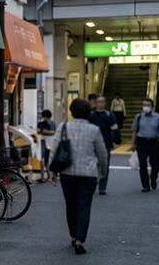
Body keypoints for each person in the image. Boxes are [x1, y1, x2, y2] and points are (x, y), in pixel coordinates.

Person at [48, 98, 108, 255]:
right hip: (88, 173)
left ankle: (74, 235)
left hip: (67, 173)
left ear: (71, 111)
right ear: (89, 113)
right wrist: (103, 169)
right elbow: (102, 152)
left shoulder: (63, 127)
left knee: (71, 204)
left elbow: (54, 150)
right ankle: (80, 240)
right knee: (84, 206)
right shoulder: (94, 129)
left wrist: (52, 172)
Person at [131, 98, 159, 192]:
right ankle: (145, 185)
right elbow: (135, 131)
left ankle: (153, 178)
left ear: (152, 107)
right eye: (144, 105)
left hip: (153, 142)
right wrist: (132, 143)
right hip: (141, 142)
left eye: (148, 105)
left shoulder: (158, 117)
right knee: (142, 164)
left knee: (155, 164)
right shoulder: (138, 117)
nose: (146, 107)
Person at [88, 95, 118, 195]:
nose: (100, 104)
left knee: (104, 164)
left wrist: (112, 129)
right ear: (95, 103)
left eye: (102, 102)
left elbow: (115, 126)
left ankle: (102, 187)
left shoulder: (109, 114)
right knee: (92, 164)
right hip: (92, 142)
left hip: (105, 141)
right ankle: (92, 183)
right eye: (98, 102)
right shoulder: (91, 114)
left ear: (105, 103)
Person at [37, 109, 56, 183]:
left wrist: (44, 131)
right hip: (43, 142)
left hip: (50, 143)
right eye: (44, 117)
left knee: (49, 158)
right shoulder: (41, 123)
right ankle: (44, 175)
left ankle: (50, 174)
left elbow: (53, 132)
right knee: (42, 158)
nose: (45, 119)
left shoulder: (52, 123)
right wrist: (45, 131)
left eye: (46, 117)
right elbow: (39, 131)